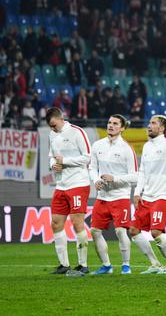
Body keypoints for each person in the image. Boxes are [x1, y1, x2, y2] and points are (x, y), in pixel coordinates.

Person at [46, 107, 92, 276]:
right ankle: (64, 264)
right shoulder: (52, 135)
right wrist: (53, 165)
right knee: (56, 223)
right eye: (50, 126)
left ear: (61, 118)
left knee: (77, 222)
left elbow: (87, 157)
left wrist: (65, 161)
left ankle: (83, 264)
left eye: (53, 125)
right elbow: (51, 156)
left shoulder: (77, 132)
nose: (52, 128)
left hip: (78, 183)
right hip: (61, 185)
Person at [89, 115, 138, 275]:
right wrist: (95, 180)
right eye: (109, 122)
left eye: (115, 123)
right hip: (102, 196)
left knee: (120, 231)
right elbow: (92, 167)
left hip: (120, 196)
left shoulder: (126, 149)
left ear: (122, 128)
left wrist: (114, 178)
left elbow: (135, 177)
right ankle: (106, 265)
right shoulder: (97, 145)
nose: (111, 125)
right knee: (95, 231)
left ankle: (126, 265)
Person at [129, 115, 166, 274]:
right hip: (147, 196)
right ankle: (155, 263)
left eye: (153, 123)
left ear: (162, 128)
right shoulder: (147, 147)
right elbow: (142, 171)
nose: (149, 126)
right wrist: (137, 193)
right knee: (134, 230)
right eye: (149, 123)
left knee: (155, 232)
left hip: (162, 195)